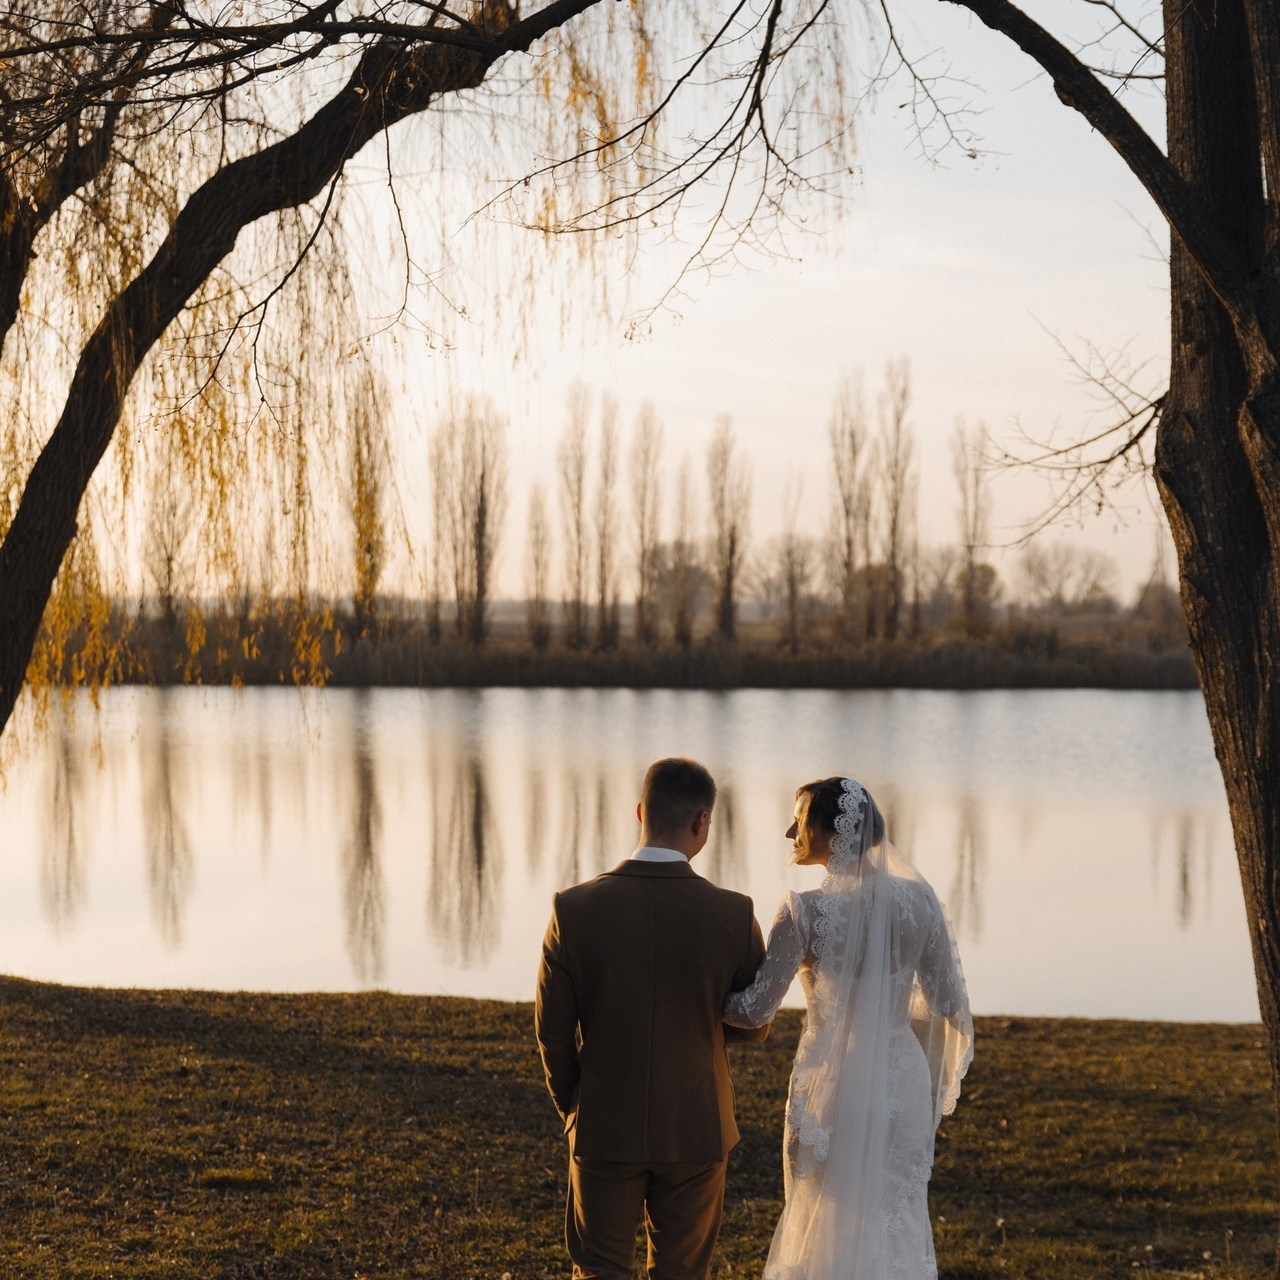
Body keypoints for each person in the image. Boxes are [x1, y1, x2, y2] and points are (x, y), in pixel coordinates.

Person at [724, 776, 972, 1280]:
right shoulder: (920, 903)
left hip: (829, 1084)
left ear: (833, 830)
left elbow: (753, 1012)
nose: (787, 829)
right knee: (891, 1216)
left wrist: (695, 993)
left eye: (800, 818)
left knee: (822, 1215)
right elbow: (945, 1000)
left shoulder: (803, 911)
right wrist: (890, 1005)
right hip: (900, 1078)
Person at [535, 756, 769, 1280]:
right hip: (696, 1126)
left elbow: (551, 1032)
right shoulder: (734, 913)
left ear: (640, 811)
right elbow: (754, 1026)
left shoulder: (573, 909)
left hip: (603, 1122)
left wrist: (575, 1106)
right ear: (702, 822)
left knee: (599, 1270)